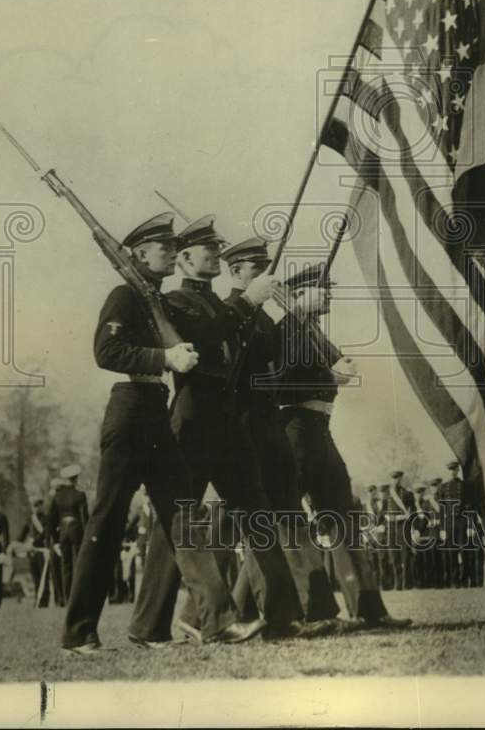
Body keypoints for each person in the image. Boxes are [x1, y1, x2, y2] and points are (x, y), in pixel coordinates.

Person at [62, 212, 266, 654]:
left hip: (155, 411)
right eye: (165, 247)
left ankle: (212, 623)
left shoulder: (154, 298)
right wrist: (164, 359)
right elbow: (107, 350)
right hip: (130, 409)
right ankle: (78, 632)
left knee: (184, 517)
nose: (174, 252)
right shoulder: (125, 295)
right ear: (138, 254)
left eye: (175, 246)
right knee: (108, 520)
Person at [130, 216, 308, 643]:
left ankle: (282, 616)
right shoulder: (177, 302)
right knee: (178, 522)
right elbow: (206, 335)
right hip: (194, 417)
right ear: (189, 258)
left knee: (257, 511)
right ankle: (150, 624)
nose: (216, 255)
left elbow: (252, 346)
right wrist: (247, 303)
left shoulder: (217, 304)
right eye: (209, 250)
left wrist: (280, 311)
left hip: (228, 418)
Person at [275, 261, 407, 629]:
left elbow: (334, 365)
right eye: (323, 289)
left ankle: (368, 608)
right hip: (296, 431)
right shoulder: (286, 330)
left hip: (319, 430)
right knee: (286, 522)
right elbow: (279, 384)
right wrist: (328, 374)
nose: (330, 294)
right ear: (299, 294)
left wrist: (339, 368)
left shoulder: (312, 331)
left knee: (344, 517)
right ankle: (258, 610)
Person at [217, 237, 340, 627]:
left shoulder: (263, 317)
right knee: (260, 524)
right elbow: (249, 371)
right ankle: (242, 614)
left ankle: (312, 611)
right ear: (236, 271)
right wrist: (297, 315)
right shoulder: (229, 314)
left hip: (268, 425)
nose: (266, 274)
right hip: (246, 427)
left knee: (285, 519)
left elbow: (277, 358)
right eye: (256, 267)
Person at [48, 465, 89, 603]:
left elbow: (51, 520)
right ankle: (79, 597)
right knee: (79, 563)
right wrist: (86, 536)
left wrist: (55, 540)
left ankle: (67, 598)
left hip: (63, 532)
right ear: (76, 478)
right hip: (76, 530)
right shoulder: (80, 495)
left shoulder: (57, 497)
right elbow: (84, 518)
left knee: (65, 566)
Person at [386, 470, 416, 591]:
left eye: (397, 478)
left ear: (401, 479)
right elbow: (383, 512)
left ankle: (406, 584)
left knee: (405, 555)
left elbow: (412, 511)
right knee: (394, 556)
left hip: (403, 527)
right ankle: (397, 585)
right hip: (391, 527)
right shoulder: (388, 494)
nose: (395, 480)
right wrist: (388, 518)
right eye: (393, 478)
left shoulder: (407, 494)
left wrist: (405, 517)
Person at [18, 494, 50, 607]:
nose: (36, 507)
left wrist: (33, 542)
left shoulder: (47, 519)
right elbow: (22, 534)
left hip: (42, 550)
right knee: (35, 576)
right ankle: (37, 599)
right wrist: (17, 544)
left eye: (38, 505)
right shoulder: (29, 519)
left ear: (42, 505)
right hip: (32, 552)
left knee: (44, 577)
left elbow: (45, 533)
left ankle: (44, 601)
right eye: (33, 505)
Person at [438, 462, 465, 589]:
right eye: (450, 470)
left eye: (454, 470)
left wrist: (469, 524)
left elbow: (468, 506)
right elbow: (441, 509)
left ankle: (464, 579)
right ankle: (455, 581)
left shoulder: (463, 485)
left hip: (461, 521)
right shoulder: (443, 487)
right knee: (451, 552)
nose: (452, 472)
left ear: (457, 470)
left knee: (464, 551)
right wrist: (442, 528)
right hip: (449, 523)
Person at [46, 478, 66, 606]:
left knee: (65, 570)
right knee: (55, 572)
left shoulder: (63, 503)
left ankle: (64, 597)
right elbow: (49, 525)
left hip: (63, 540)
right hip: (55, 542)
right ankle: (59, 599)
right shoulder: (52, 504)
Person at [423, 478, 444, 588]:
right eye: (432, 486)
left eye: (436, 486)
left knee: (443, 558)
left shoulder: (443, 500)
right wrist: (429, 522)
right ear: (430, 488)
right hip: (432, 533)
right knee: (433, 558)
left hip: (442, 532)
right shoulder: (427, 503)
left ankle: (444, 582)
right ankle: (435, 582)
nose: (434, 488)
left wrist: (439, 522)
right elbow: (424, 518)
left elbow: (446, 515)